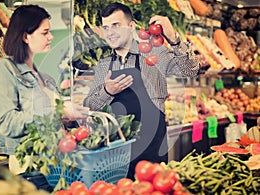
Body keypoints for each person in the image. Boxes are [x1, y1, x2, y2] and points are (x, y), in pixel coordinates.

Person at [83, 2, 200, 180]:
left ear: (131, 27)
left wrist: (174, 38)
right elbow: (89, 106)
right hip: (116, 155)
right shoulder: (104, 65)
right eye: (106, 27)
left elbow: (190, 70)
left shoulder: (154, 54)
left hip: (153, 148)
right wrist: (107, 90)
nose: (110, 32)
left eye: (116, 25)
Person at [0, 5, 88, 192]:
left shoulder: (45, 78)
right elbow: (7, 123)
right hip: (30, 171)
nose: (50, 37)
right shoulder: (4, 69)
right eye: (45, 32)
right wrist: (57, 110)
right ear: (25, 36)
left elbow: (51, 119)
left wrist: (70, 117)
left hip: (58, 167)